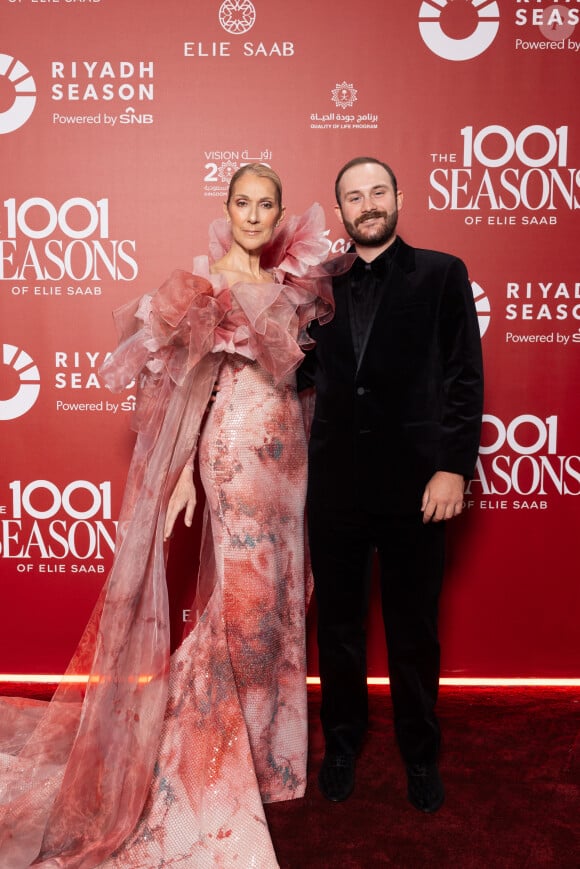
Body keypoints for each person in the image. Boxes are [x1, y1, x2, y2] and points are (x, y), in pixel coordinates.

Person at [0, 165, 340, 868]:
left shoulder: (295, 279)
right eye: (242, 202)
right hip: (233, 456)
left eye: (265, 204)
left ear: (278, 212)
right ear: (227, 208)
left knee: (281, 602)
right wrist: (183, 472)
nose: (254, 213)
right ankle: (215, 746)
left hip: (289, 461)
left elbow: (306, 380)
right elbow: (191, 385)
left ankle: (274, 759)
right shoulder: (205, 286)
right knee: (244, 606)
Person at [299, 156, 484, 813]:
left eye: (378, 191)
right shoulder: (315, 280)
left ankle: (419, 753)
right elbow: (299, 377)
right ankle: (341, 746)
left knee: (413, 630)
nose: (368, 203)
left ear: (398, 197)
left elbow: (464, 376)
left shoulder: (441, 273)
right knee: (340, 629)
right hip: (335, 486)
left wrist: (453, 466)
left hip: (418, 485)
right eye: (355, 195)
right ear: (341, 209)